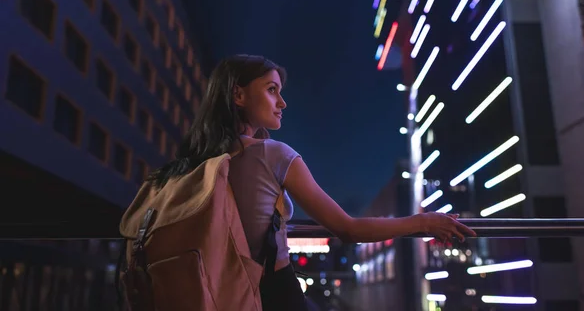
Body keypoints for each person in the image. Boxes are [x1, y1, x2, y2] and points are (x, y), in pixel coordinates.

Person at [149, 54, 476, 311]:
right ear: (238, 94)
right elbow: (348, 229)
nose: (282, 103)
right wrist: (424, 221)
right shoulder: (274, 155)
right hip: (270, 294)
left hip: (209, 291)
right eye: (271, 89)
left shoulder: (189, 163)